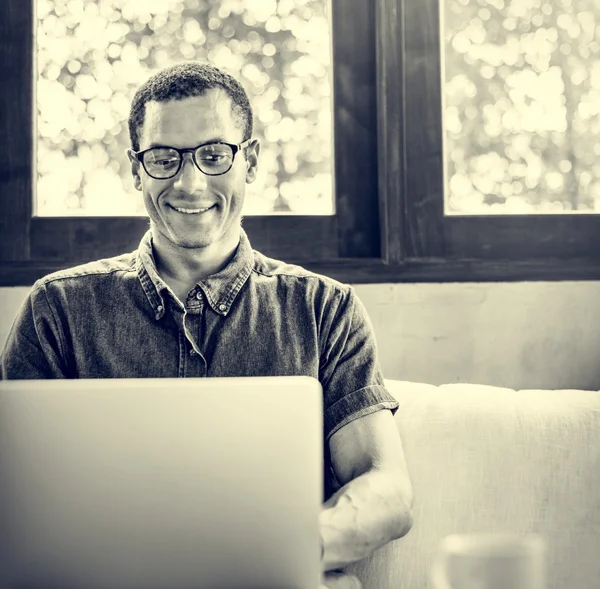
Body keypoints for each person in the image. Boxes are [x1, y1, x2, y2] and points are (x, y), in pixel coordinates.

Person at [1, 62, 413, 588]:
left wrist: (288, 548)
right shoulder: (56, 310)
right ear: (136, 169)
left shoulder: (323, 309)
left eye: (214, 155)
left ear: (251, 161)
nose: (190, 183)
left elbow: (389, 490)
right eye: (163, 159)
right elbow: (13, 495)